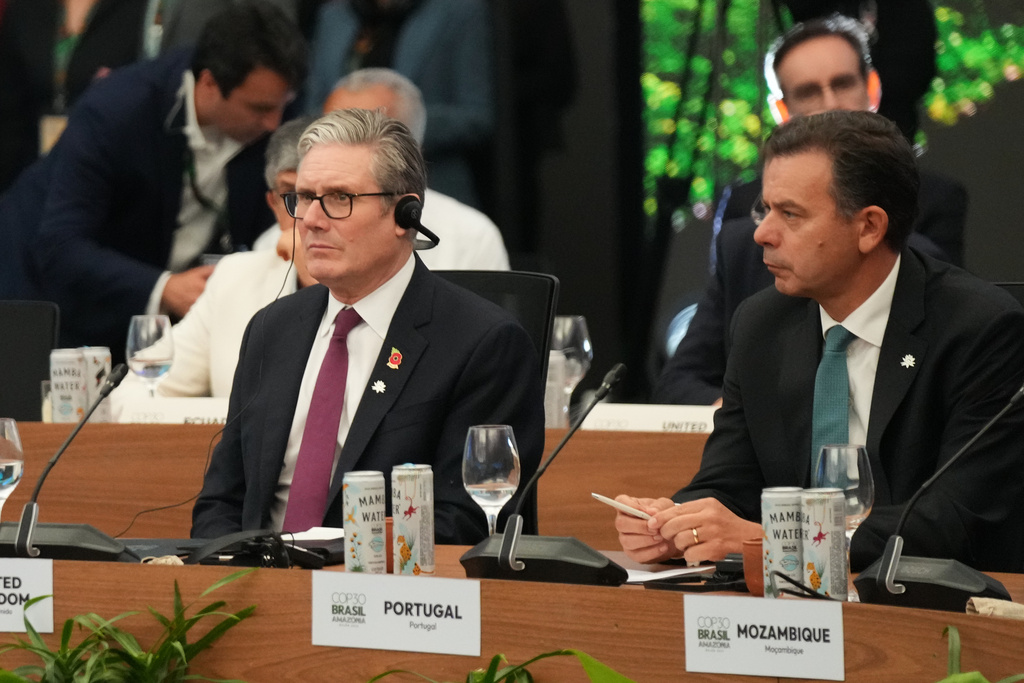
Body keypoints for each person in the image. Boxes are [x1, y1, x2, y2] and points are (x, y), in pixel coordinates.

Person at [618, 110, 1024, 574]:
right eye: (764, 209)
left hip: (932, 615)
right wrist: (674, 523)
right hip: (784, 613)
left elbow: (953, 519)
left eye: (790, 214)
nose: (762, 234)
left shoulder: (980, 329)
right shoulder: (761, 324)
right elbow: (728, 484)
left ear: (869, 227)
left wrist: (776, 540)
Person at [191, 108, 544, 544]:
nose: (312, 220)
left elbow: (467, 522)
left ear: (404, 213)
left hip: (384, 595)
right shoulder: (271, 327)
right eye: (303, 197)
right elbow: (222, 500)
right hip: (258, 590)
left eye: (340, 198)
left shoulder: (484, 344)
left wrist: (328, 567)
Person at [653, 15, 967, 405]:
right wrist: (742, 417)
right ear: (782, 109)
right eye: (808, 92)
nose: (831, 104)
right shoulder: (743, 244)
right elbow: (683, 377)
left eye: (842, 83)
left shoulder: (930, 210)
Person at [0, 1, 307, 359]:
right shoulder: (117, 110)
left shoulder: (274, 105)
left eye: (282, 106)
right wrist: (164, 288)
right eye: (259, 109)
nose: (275, 124)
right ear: (208, 83)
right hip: (48, 299)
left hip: (170, 319)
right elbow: (61, 245)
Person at [111, 116, 316, 404]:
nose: (309, 216)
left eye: (330, 196)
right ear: (272, 203)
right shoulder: (236, 277)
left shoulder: (387, 278)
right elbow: (137, 391)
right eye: (293, 195)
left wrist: (319, 275)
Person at [304, 0, 494, 207]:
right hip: (339, 185)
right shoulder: (334, 15)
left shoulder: (459, 11)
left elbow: (476, 115)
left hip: (430, 184)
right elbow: (313, 109)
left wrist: (391, 123)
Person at [320, 67, 509, 270]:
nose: (339, 151)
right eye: (329, 134)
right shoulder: (297, 230)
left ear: (411, 152)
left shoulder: (471, 237)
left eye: (362, 137)